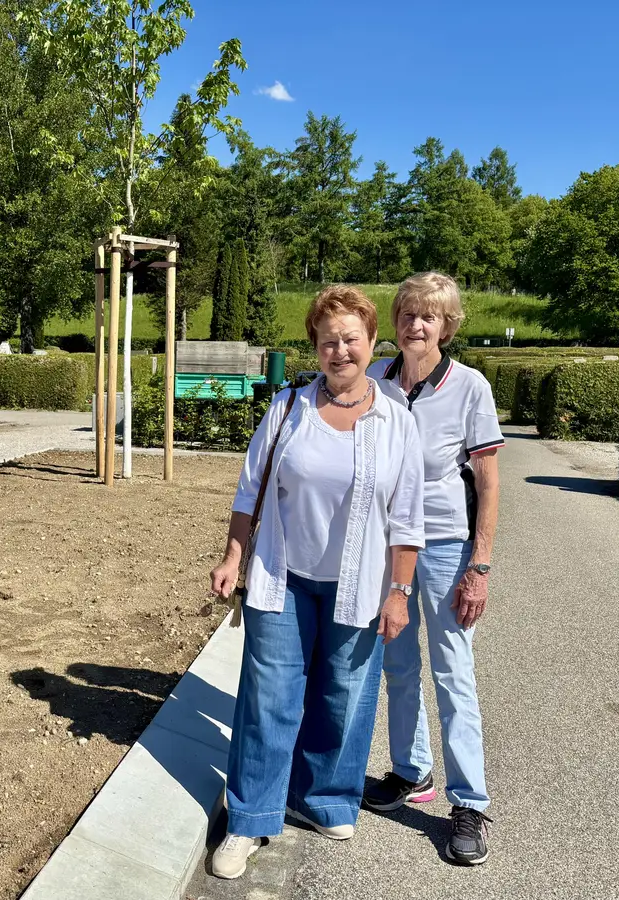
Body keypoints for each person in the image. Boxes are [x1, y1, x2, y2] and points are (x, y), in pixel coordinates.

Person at [207, 285, 425, 880]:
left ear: (371, 341)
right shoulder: (287, 408)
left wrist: (400, 591)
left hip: (361, 582)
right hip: (284, 577)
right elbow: (250, 491)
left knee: (345, 697)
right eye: (328, 340)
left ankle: (324, 796)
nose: (339, 351)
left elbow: (407, 517)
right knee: (269, 699)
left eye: (350, 339)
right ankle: (250, 818)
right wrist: (234, 557)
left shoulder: (396, 420)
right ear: (315, 345)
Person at [363, 272, 504, 866]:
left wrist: (481, 565)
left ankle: (468, 802)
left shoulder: (470, 387)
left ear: (447, 325)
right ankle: (410, 770)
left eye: (429, 317)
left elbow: (489, 483)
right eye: (407, 314)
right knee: (397, 662)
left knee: (452, 670)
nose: (415, 325)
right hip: (390, 544)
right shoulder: (376, 379)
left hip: (446, 543)